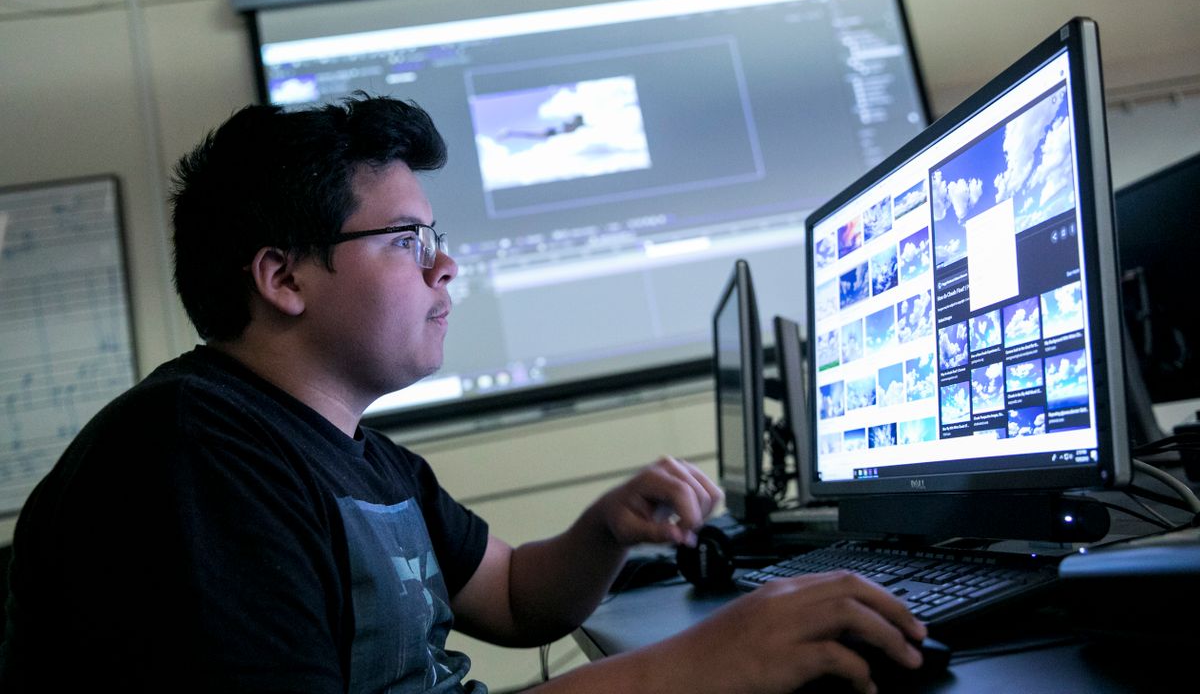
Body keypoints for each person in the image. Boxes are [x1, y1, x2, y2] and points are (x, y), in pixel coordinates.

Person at [0, 94, 925, 693]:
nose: (447, 265)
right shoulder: (192, 457)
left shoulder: (361, 453)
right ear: (284, 278)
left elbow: (517, 599)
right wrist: (698, 667)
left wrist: (604, 529)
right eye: (407, 239)